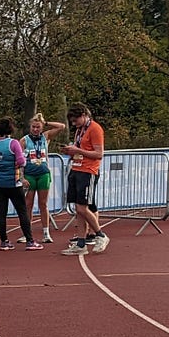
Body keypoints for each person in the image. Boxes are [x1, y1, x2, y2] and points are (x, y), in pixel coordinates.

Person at [63, 106, 108, 254]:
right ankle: (81, 244)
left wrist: (78, 151)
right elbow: (79, 149)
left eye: (76, 120)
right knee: (78, 210)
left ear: (83, 115)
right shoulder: (80, 130)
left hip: (88, 172)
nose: (74, 124)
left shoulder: (95, 129)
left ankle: (100, 235)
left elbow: (99, 154)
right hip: (76, 169)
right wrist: (70, 151)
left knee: (83, 208)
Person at [0, 118, 36, 249]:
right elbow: (21, 161)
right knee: (22, 211)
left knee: (1, 212)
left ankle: (4, 241)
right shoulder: (14, 143)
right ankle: (30, 241)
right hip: (13, 183)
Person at [22, 112, 66, 246]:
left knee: (43, 204)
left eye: (38, 127)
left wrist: (46, 122)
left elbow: (62, 126)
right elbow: (19, 160)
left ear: (41, 128)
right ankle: (27, 233)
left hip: (43, 174)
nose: (35, 129)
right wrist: (22, 177)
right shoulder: (23, 140)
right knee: (28, 205)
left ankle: (46, 233)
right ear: (30, 127)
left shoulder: (46, 136)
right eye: (33, 127)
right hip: (29, 174)